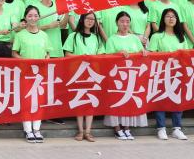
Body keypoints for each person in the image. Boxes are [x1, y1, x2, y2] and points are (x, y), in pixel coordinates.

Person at [102, 11, 149, 139]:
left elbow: (140, 52)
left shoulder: (134, 38)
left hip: (132, 76)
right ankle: (117, 128)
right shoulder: (111, 39)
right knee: (117, 101)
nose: (125, 24)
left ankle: (127, 128)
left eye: (127, 21)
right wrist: (118, 53)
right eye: (122, 21)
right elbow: (107, 58)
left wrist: (143, 52)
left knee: (129, 100)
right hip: (117, 76)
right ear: (117, 23)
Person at [147, 8, 190, 141]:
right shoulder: (156, 36)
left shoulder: (181, 37)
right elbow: (152, 54)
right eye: (168, 16)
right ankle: (161, 128)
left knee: (178, 100)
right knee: (161, 100)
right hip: (161, 72)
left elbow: (186, 55)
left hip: (178, 73)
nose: (171, 19)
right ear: (163, 19)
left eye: (173, 17)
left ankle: (177, 128)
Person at [62, 11, 102, 142]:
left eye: (93, 19)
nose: (90, 21)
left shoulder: (96, 38)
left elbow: (101, 55)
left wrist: (91, 59)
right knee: (79, 101)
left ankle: (88, 131)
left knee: (90, 101)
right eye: (88, 18)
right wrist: (82, 58)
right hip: (77, 73)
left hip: (92, 73)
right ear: (82, 20)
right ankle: (80, 130)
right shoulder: (73, 36)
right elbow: (67, 54)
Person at [12, 5, 50, 143]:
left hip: (40, 74)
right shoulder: (20, 35)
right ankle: (28, 130)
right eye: (30, 16)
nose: (33, 18)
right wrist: (24, 61)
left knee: (39, 101)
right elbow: (14, 53)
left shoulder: (44, 35)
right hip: (25, 73)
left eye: (35, 15)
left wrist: (46, 60)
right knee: (27, 101)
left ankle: (37, 129)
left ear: (39, 17)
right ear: (25, 18)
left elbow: (48, 53)